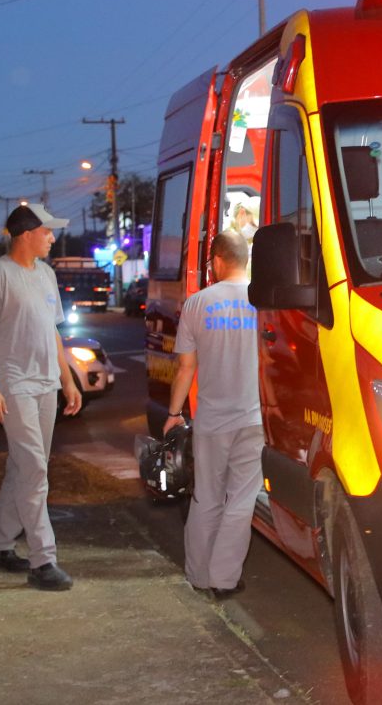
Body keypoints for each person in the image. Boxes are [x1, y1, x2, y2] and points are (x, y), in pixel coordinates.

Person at [0, 204, 83, 592]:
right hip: (14, 384)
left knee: (24, 467)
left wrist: (67, 381)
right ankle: (43, 560)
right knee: (34, 469)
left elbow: (53, 333)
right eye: (47, 232)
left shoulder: (47, 275)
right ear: (26, 234)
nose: (52, 238)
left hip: (45, 384)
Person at [163, 230, 263, 598]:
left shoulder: (198, 303)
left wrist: (174, 413)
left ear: (218, 261)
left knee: (206, 497)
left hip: (211, 421)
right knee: (240, 501)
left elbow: (185, 368)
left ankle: (198, 576)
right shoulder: (263, 301)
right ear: (245, 260)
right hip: (254, 419)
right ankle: (224, 579)